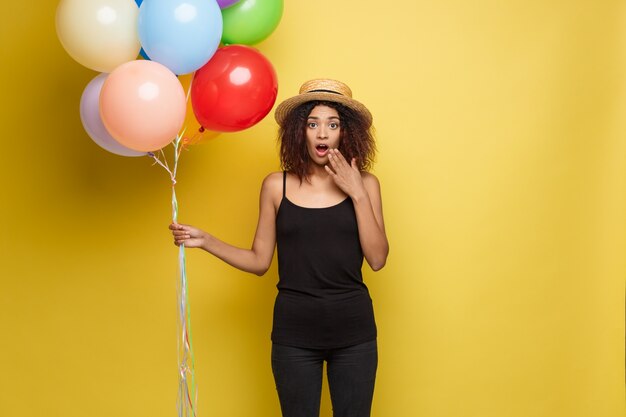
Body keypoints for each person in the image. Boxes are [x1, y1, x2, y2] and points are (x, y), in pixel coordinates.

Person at [169, 78, 389, 417]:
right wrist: (206, 241)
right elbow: (259, 261)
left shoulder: (367, 185)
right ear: (299, 131)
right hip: (294, 335)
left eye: (333, 124)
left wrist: (357, 192)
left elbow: (377, 259)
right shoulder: (276, 186)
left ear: (346, 133)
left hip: (354, 334)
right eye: (313, 124)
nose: (322, 133)